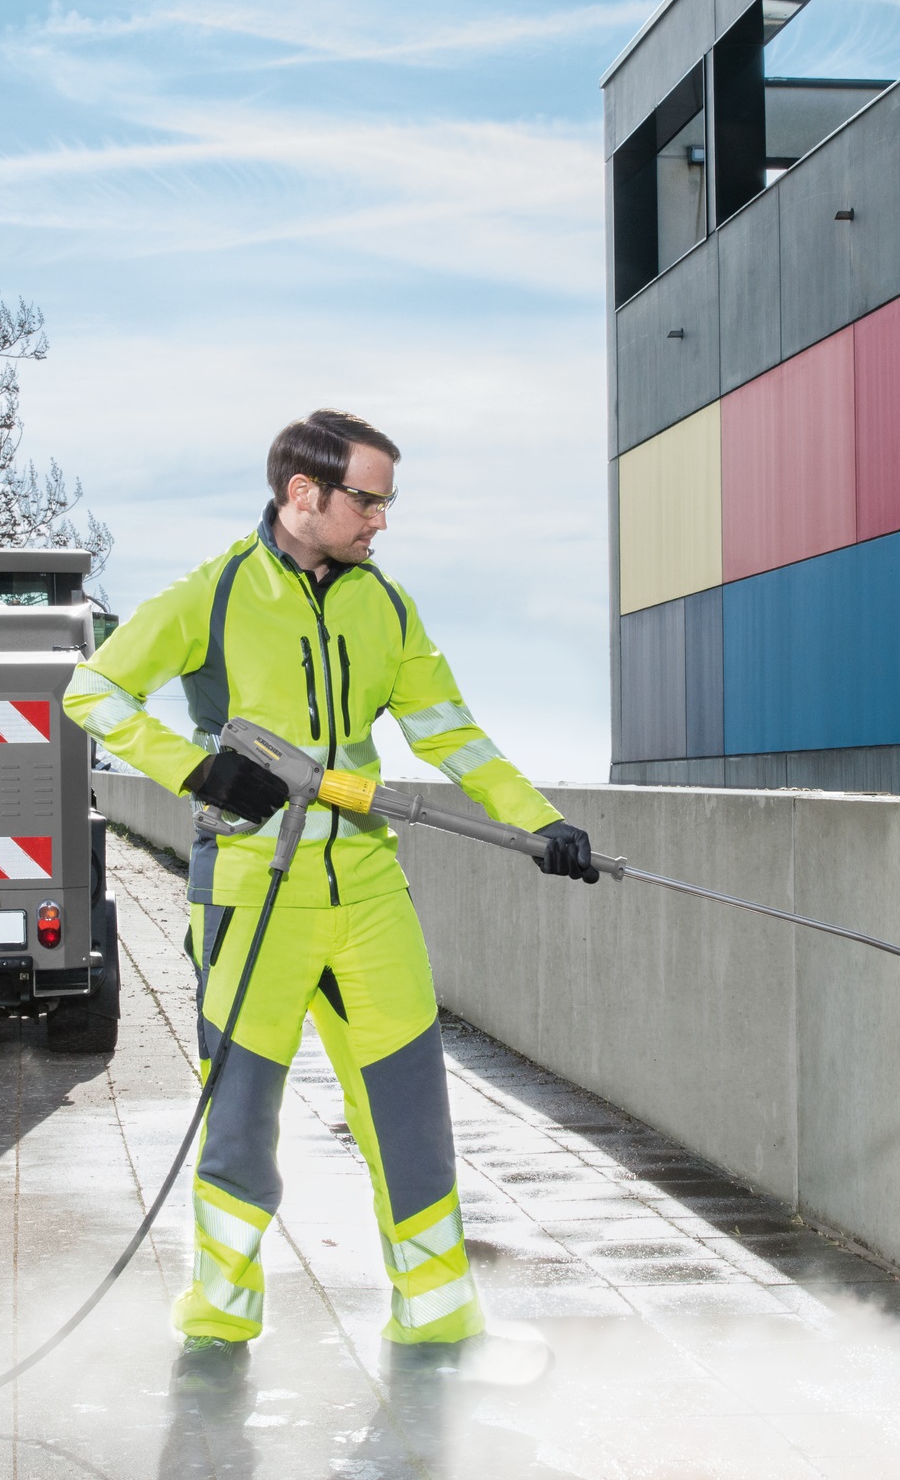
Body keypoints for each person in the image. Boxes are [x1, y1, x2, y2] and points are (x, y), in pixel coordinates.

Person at [64, 409, 602, 1350]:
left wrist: (539, 821)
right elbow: (92, 691)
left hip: (365, 893)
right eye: (368, 501)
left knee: (408, 1111)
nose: (380, 523)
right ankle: (219, 1320)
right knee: (237, 1115)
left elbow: (449, 730)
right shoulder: (215, 594)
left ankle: (436, 1316)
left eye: (388, 504)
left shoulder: (383, 605)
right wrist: (193, 769)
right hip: (248, 894)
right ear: (301, 494)